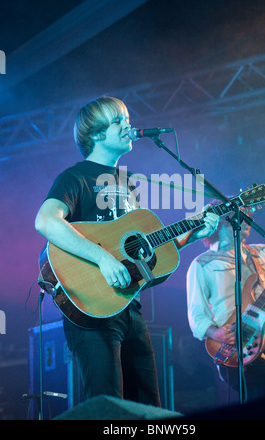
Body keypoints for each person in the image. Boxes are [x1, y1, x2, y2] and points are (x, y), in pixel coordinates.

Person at [35, 96, 219, 406]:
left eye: (126, 118)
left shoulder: (129, 183)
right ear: (95, 134)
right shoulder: (75, 177)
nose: (128, 125)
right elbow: (45, 220)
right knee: (108, 406)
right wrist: (103, 258)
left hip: (129, 308)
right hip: (90, 306)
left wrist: (190, 234)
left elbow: (142, 255)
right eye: (118, 120)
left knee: (148, 407)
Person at [186, 205, 265, 402]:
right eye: (239, 214)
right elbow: (197, 314)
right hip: (234, 350)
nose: (247, 218)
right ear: (219, 221)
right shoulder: (202, 264)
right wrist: (215, 332)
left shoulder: (264, 253)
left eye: (248, 214)